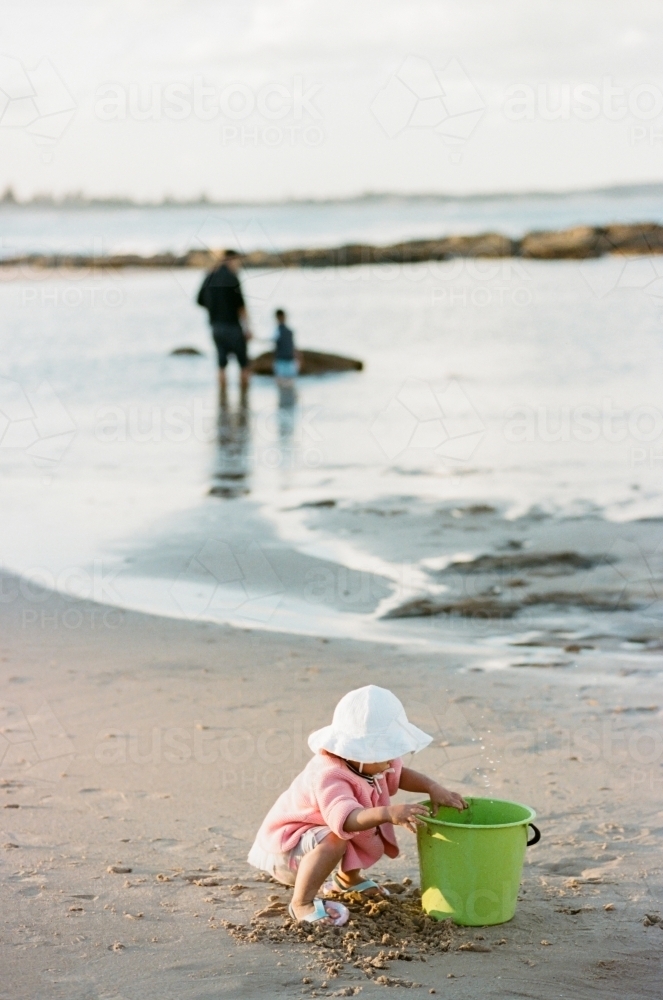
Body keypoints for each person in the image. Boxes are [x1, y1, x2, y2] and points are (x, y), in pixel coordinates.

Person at [247, 685, 467, 926]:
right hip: (286, 851)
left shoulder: (369, 764)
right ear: (358, 752)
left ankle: (346, 880)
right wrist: (388, 813)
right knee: (337, 837)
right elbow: (348, 818)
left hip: (313, 838)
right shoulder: (329, 774)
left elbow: (399, 773)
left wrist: (432, 787)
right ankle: (301, 903)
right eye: (385, 756)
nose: (389, 764)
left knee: (352, 832)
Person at [197, 249, 253, 397]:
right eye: (237, 261)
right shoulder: (232, 278)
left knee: (221, 365)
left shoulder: (209, 275)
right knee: (244, 365)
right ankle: (244, 400)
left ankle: (222, 401)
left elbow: (199, 301)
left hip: (215, 327)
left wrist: (214, 307)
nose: (238, 265)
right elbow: (241, 307)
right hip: (233, 327)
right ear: (231, 260)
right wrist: (248, 329)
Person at [272, 308, 300, 381]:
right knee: (284, 383)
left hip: (288, 360)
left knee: (289, 383)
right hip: (281, 361)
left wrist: (298, 356)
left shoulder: (289, 331)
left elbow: (293, 345)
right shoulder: (277, 331)